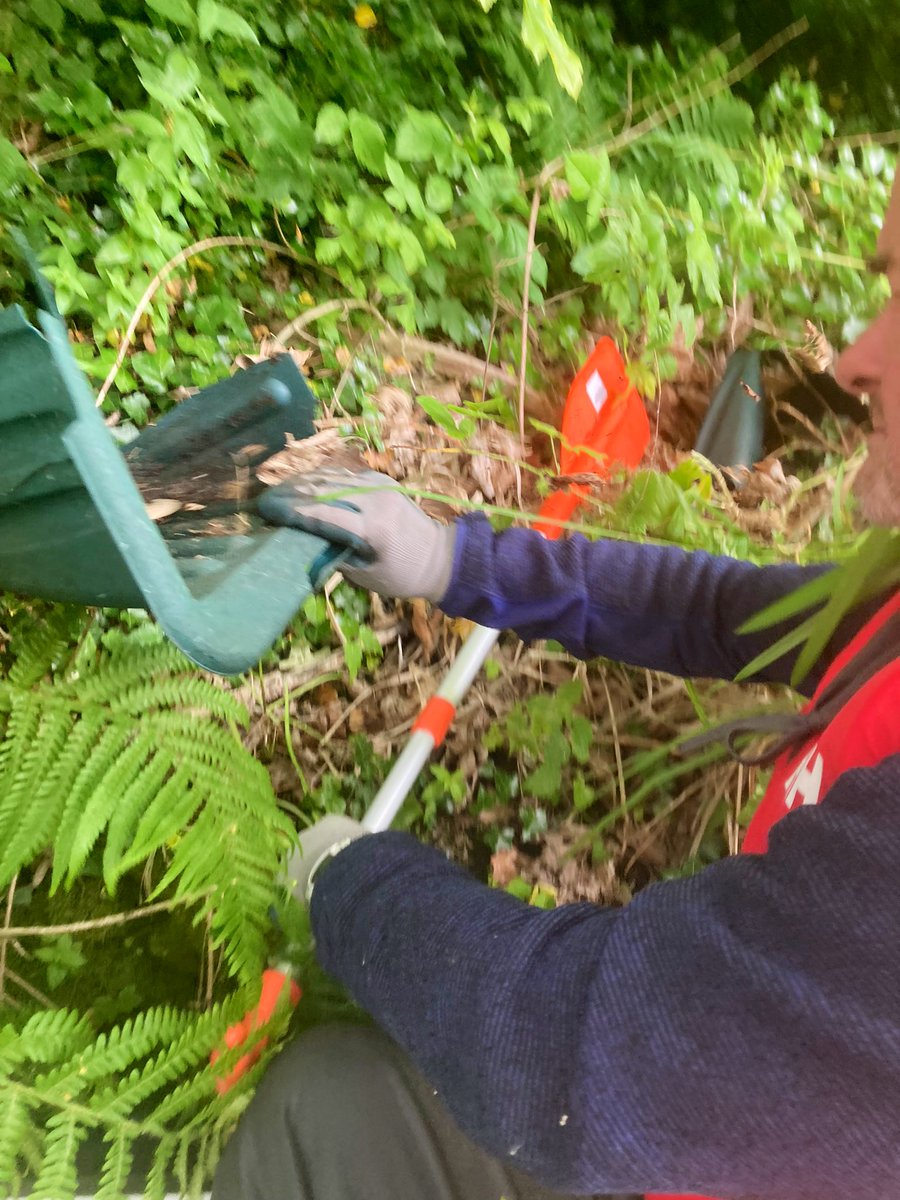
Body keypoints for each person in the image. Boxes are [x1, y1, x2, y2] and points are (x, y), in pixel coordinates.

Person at [211, 173, 900, 1200]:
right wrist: (452, 561)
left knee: (323, 1126)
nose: (855, 360)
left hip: (666, 1126)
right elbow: (713, 609)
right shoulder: (886, 606)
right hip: (697, 1135)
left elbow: (574, 1045)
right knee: (332, 1096)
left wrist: (344, 880)